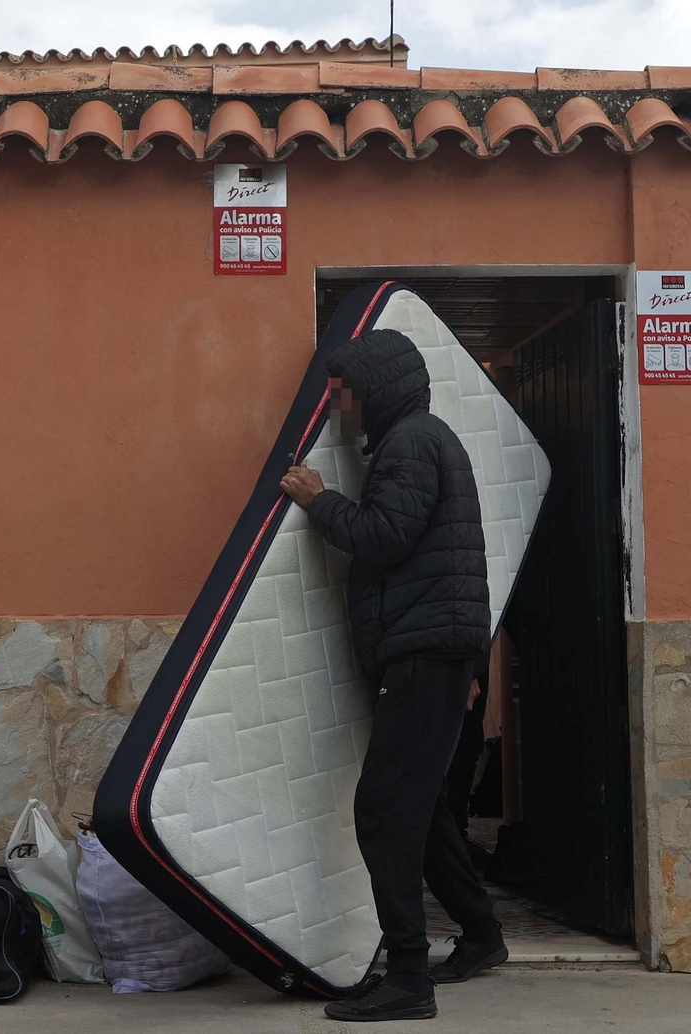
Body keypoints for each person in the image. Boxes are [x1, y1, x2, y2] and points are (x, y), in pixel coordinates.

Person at [280, 328, 507, 1022]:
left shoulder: (409, 443)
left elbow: (384, 536)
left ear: (375, 389)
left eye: (344, 393)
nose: (339, 406)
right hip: (435, 652)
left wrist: (318, 501)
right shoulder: (425, 438)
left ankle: (408, 977)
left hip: (421, 653)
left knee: (384, 811)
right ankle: (481, 934)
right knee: (421, 805)